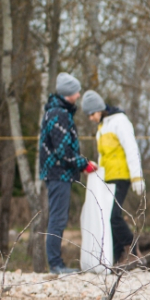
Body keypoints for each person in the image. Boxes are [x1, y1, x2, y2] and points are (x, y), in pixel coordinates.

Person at [38, 72, 95, 274]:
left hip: (57, 173)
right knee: (58, 219)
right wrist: (84, 164)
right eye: (76, 92)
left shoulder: (57, 112)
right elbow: (64, 152)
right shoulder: (59, 114)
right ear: (67, 94)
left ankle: (56, 263)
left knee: (57, 217)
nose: (79, 95)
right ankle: (55, 265)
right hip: (58, 174)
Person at [81, 90, 145, 264]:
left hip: (121, 176)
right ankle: (119, 258)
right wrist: (97, 170)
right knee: (108, 218)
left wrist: (137, 177)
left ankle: (132, 250)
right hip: (108, 178)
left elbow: (131, 148)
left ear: (100, 109)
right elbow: (104, 156)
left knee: (114, 216)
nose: (91, 118)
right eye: (88, 115)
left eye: (92, 114)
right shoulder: (102, 127)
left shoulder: (120, 122)